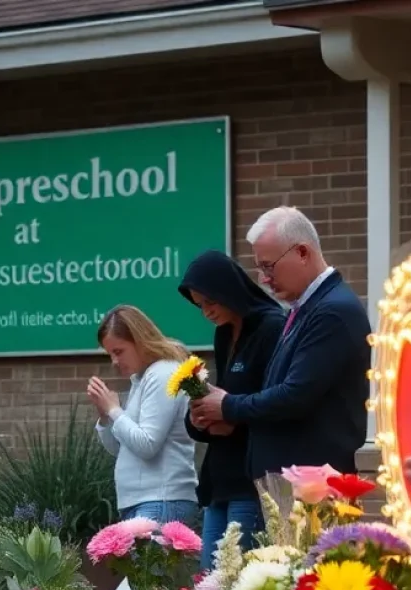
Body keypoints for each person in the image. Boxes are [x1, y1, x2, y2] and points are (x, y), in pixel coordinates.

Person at [190, 207, 371, 477]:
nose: (264, 278)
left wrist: (228, 406)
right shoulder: (305, 309)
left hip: (314, 490)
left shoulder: (332, 311)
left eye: (268, 266)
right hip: (296, 486)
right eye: (260, 268)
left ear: (302, 253)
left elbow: (294, 395)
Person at [178, 250, 285, 566]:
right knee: (209, 584)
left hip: (250, 481)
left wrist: (229, 416)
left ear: (229, 290)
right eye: (200, 307)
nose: (207, 312)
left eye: (210, 303)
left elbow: (276, 403)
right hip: (220, 481)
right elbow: (220, 396)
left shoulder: (272, 327)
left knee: (237, 582)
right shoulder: (224, 334)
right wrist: (198, 420)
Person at [88, 304, 198, 524]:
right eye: (110, 354)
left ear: (139, 340)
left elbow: (147, 445)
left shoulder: (163, 373)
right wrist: (105, 417)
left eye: (118, 351)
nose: (114, 361)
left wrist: (114, 410)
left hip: (162, 499)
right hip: (142, 501)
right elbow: (120, 449)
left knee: (150, 560)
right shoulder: (141, 379)